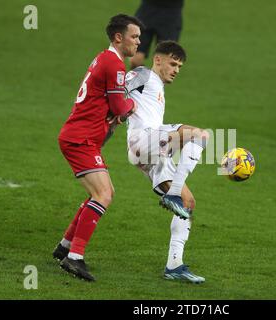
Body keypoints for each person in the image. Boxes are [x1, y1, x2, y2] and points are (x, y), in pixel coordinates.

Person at [52, 14, 144, 282]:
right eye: (134, 36)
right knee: (103, 194)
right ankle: (74, 259)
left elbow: (108, 103)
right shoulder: (114, 64)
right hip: (80, 139)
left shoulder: (103, 59)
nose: (138, 42)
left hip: (83, 137)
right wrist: (131, 106)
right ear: (119, 37)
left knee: (103, 192)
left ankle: (65, 247)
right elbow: (119, 107)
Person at [125, 41, 209, 283]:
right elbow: (117, 90)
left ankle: (174, 265)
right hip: (143, 141)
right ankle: (171, 193)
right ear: (158, 59)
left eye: (180, 66)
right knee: (200, 135)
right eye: (173, 63)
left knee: (188, 202)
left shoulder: (157, 89)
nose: (176, 69)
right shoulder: (143, 74)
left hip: (152, 153)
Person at [130, 0, 184, 69]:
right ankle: (144, 79)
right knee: (135, 60)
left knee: (163, 64)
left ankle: (153, 79)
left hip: (171, 14)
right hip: (147, 9)